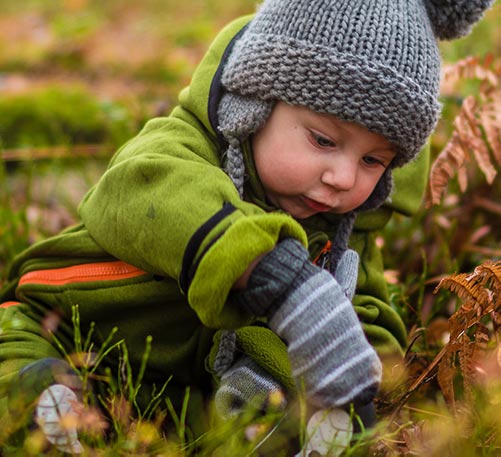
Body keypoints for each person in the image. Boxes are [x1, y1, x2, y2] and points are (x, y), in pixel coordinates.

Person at [0, 0, 493, 454]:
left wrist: (345, 381)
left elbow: (366, 314)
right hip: (65, 321)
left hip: (181, 388)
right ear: (253, 105)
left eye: (372, 160)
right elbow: (137, 193)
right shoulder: (180, 149)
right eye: (323, 140)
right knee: (15, 350)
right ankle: (41, 401)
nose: (343, 178)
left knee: (267, 415)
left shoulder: (343, 226)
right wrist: (278, 280)